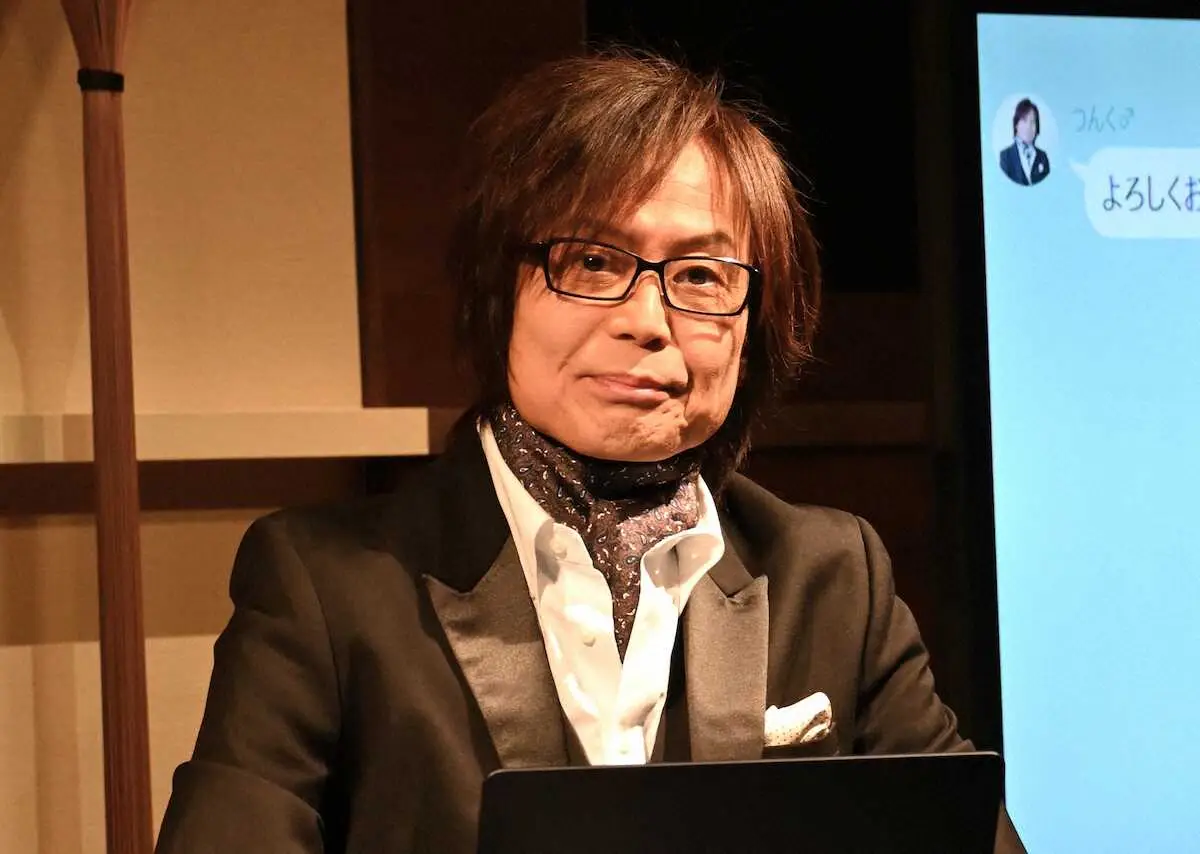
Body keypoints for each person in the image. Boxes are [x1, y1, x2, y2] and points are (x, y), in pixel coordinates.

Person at [155, 50, 1026, 853]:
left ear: (755, 328)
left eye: (700, 276)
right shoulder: (325, 586)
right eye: (594, 262)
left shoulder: (834, 578)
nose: (647, 320)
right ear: (499, 289)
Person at [1000, 98, 1051, 186]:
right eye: (1024, 121)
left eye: (1033, 122)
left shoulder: (1043, 157)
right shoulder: (1006, 156)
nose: (1028, 127)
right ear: (1016, 125)